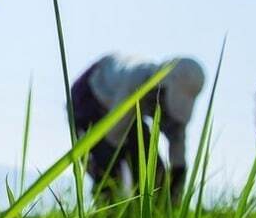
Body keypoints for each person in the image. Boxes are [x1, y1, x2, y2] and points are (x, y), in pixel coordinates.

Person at [70, 54, 205, 201]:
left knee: (152, 172)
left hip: (127, 111)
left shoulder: (167, 99)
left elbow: (177, 141)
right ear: (165, 84)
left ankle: (155, 210)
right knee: (107, 162)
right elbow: (114, 137)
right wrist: (109, 175)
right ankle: (105, 208)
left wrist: (175, 185)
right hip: (91, 96)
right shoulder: (137, 80)